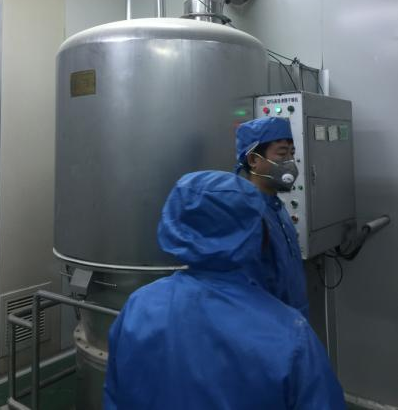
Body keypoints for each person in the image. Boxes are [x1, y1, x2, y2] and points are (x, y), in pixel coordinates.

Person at [104, 171, 345, 410]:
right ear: (258, 233)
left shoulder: (138, 307)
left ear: (176, 227)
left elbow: (115, 397)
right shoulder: (290, 336)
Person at [235, 117, 309, 318]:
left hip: (293, 319)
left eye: (292, 154)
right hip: (269, 324)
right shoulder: (248, 214)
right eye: (282, 154)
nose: (290, 163)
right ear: (253, 160)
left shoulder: (277, 208)